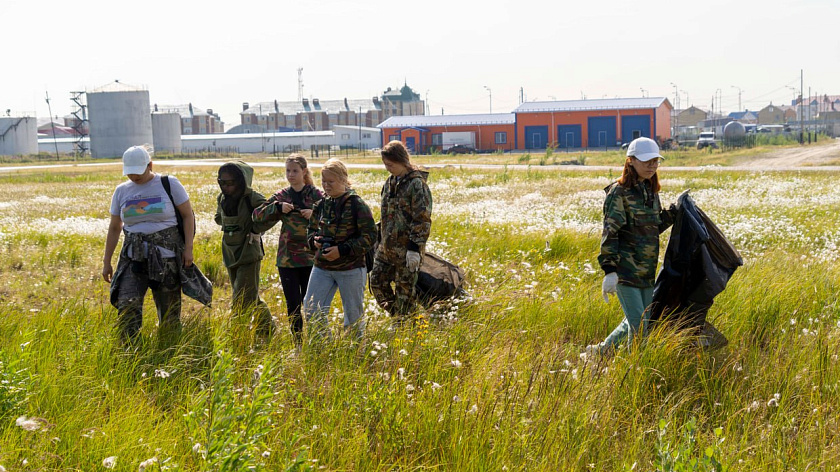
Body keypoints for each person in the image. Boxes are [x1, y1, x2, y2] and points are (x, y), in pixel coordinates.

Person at [586, 137, 677, 356]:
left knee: (639, 320)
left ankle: (599, 351)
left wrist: (674, 213)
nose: (652, 166)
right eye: (646, 161)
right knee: (639, 327)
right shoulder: (619, 193)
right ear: (631, 161)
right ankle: (633, 370)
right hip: (625, 271)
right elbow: (611, 232)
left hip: (645, 270)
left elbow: (651, 228)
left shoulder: (650, 191)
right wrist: (609, 271)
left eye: (655, 161)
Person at [103, 145, 202, 343]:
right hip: (133, 258)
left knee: (169, 311)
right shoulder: (121, 191)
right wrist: (107, 261)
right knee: (127, 304)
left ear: (150, 165)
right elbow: (115, 227)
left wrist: (188, 249)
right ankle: (130, 351)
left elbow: (187, 216)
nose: (134, 177)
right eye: (129, 173)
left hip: (166, 259)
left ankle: (169, 349)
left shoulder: (169, 184)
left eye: (138, 172)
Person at [252, 154, 324, 345]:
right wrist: (277, 207)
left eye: (295, 171)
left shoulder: (316, 195)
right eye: (288, 171)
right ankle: (298, 343)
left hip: (311, 258)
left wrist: (314, 214)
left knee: (312, 305)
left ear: (304, 172)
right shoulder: (282, 195)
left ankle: (316, 342)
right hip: (287, 260)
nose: (291, 175)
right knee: (293, 305)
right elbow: (257, 215)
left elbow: (334, 216)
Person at [304, 158, 377, 340]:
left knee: (353, 316)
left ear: (343, 180)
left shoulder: (356, 205)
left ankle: (354, 353)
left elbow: (370, 236)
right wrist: (315, 242)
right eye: (323, 182)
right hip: (322, 267)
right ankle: (323, 349)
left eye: (331, 182)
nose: (326, 186)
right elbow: (310, 232)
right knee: (311, 309)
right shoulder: (321, 205)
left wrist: (342, 250)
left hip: (351, 268)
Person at [370, 140, 433, 323]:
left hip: (407, 252)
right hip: (386, 248)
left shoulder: (417, 184)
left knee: (405, 294)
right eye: (385, 165)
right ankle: (400, 318)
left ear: (402, 161)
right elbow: (387, 215)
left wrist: (414, 248)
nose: (388, 168)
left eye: (390, 164)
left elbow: (422, 219)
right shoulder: (390, 183)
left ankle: (406, 327)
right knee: (377, 284)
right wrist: (377, 237)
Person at [214, 160, 276, 335]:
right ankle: (268, 330)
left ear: (241, 181)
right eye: (221, 182)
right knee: (250, 295)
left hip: (248, 254)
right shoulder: (222, 198)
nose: (225, 187)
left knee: (241, 298)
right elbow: (219, 217)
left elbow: (271, 214)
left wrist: (256, 230)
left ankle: (237, 335)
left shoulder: (252, 198)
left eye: (230, 183)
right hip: (229, 253)